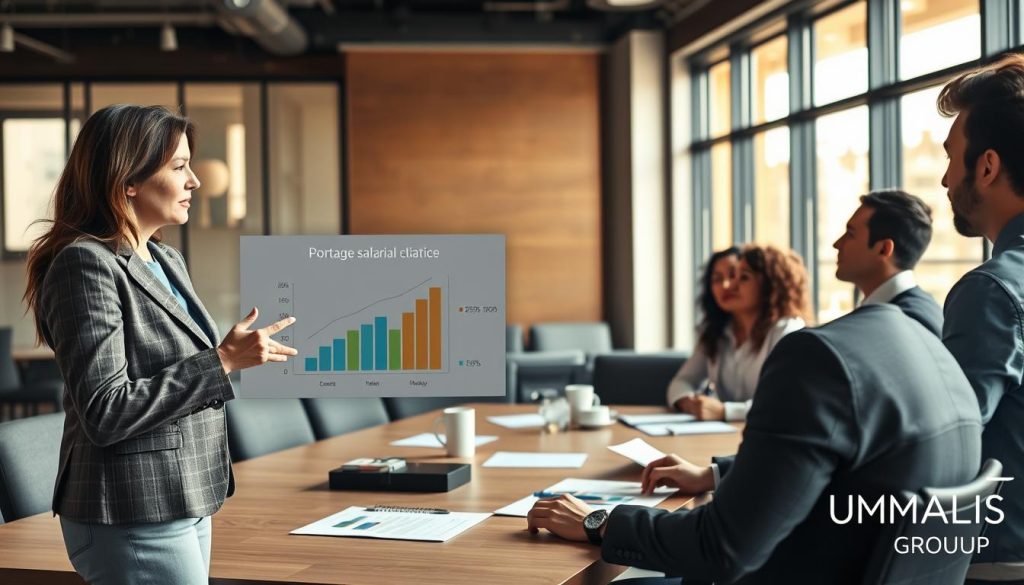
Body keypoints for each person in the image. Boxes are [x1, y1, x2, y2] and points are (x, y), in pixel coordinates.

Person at [23, 104, 298, 584]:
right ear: (129, 180)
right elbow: (105, 410)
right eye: (178, 167)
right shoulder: (85, 264)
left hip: (183, 496)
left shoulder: (165, 259)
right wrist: (222, 361)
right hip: (129, 508)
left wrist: (224, 360)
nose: (195, 181)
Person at [525, 304, 983, 584]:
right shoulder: (923, 343)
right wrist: (717, 473)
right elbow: (835, 467)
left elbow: (722, 549)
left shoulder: (814, 355)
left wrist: (600, 522)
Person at [937, 53, 1024, 583]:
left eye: (952, 156)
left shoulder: (991, 291)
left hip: (995, 564)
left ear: (986, 167)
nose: (946, 178)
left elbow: (938, 447)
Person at [666, 244, 810, 421]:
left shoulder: (787, 331)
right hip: (726, 432)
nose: (729, 285)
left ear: (770, 286)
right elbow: (683, 381)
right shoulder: (716, 332)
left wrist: (725, 412)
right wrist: (689, 403)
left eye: (743, 277)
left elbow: (787, 402)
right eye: (718, 278)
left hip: (771, 433)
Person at [833, 189, 943, 336]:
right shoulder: (924, 309)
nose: (837, 244)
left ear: (884, 249)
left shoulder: (901, 322)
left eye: (851, 234)